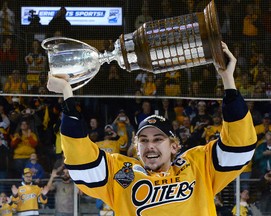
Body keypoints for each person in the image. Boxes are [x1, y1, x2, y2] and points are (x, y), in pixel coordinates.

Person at [47, 42, 257, 215]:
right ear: (136, 148)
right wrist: (67, 95)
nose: (150, 146)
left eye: (158, 139)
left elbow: (239, 147)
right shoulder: (123, 172)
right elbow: (82, 162)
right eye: (144, 140)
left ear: (174, 147)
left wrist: (227, 80)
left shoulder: (197, 166)